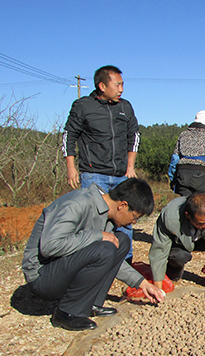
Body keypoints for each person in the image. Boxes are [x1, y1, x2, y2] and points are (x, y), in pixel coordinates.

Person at [22, 178, 165, 331]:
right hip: (43, 277)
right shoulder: (77, 204)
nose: (133, 223)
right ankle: (67, 312)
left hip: (63, 267)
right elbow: (50, 246)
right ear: (123, 205)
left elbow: (110, 259)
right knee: (106, 247)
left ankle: (91, 304)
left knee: (121, 240)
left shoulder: (105, 213)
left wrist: (142, 284)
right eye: (135, 217)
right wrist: (96, 235)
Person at [62, 65, 140, 263]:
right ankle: (95, 262)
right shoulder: (83, 106)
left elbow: (134, 136)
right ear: (102, 86)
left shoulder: (125, 107)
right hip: (93, 173)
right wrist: (71, 167)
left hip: (122, 174)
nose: (122, 89)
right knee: (95, 220)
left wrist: (130, 166)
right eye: (118, 84)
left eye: (123, 84)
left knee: (126, 219)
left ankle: (125, 262)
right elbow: (69, 136)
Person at [168, 110, 205, 197]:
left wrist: (172, 178)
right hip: (201, 175)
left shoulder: (183, 135)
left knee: (184, 204)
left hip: (182, 174)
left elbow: (175, 158)